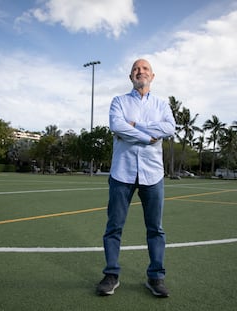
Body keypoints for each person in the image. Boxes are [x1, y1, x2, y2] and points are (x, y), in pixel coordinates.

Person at [96, 59, 176, 297]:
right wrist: (149, 136)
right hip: (122, 172)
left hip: (153, 174)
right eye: (136, 69)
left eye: (145, 69)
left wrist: (136, 126)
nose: (140, 72)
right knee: (114, 227)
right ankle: (111, 274)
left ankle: (156, 277)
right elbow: (117, 126)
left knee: (155, 229)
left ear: (152, 76)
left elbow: (169, 128)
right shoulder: (118, 101)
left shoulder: (162, 105)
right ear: (131, 76)